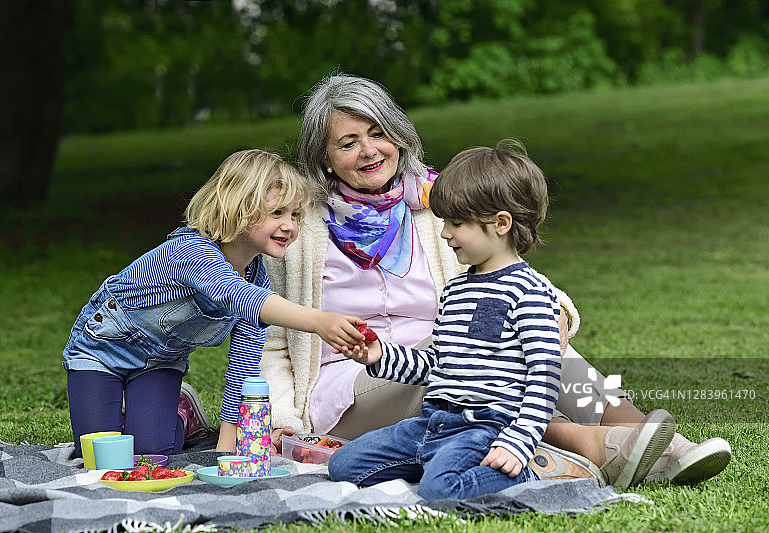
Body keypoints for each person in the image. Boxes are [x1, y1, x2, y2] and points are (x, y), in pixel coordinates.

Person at [260, 73, 731, 487]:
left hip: (454, 350)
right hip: (357, 384)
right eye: (347, 142)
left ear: (399, 137)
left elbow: (504, 267)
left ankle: (660, 442)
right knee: (459, 369)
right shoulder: (299, 229)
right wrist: (279, 418)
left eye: (378, 133)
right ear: (323, 158)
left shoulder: (437, 204)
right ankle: (593, 443)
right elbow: (275, 340)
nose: (368, 151)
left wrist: (554, 313)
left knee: (542, 343)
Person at [326, 140, 676, 499]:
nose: (445, 233)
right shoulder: (456, 291)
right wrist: (379, 356)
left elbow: (543, 380)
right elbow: (438, 366)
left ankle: (541, 472)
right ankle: (444, 461)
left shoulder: (529, 292)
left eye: (456, 223)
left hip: (484, 429)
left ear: (501, 224)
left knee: (440, 490)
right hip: (432, 423)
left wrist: (518, 443)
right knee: (343, 466)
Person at [62, 149, 365, 458]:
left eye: (295, 215)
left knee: (152, 454)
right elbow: (236, 294)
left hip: (162, 361)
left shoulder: (257, 279)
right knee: (98, 456)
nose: (290, 226)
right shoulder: (192, 252)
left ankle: (181, 416)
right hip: (101, 350)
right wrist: (318, 321)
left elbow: (244, 366)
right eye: (277, 214)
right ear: (238, 209)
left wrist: (226, 443)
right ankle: (125, 419)